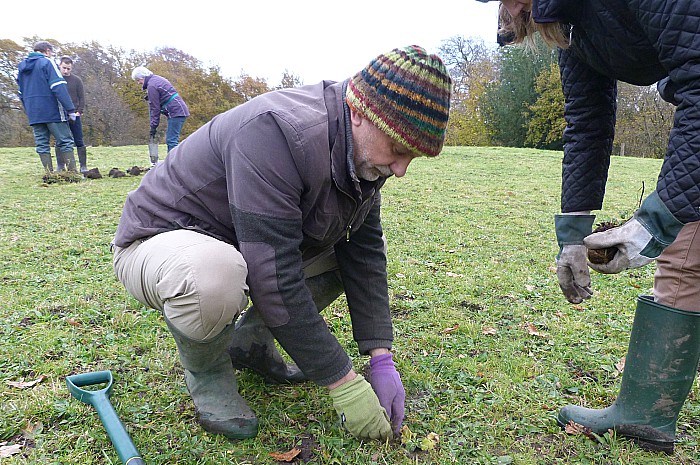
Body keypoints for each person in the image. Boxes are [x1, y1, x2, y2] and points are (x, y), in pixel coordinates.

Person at [112, 46, 452, 441]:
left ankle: (251, 342)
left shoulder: (358, 149)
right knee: (215, 276)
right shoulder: (276, 131)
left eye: (413, 156)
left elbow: (363, 250)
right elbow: (274, 276)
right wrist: (342, 383)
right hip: (157, 242)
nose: (401, 169)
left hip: (242, 245)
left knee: (335, 259)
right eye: (398, 150)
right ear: (360, 112)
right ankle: (207, 372)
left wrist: (381, 357)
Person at [475, 0, 700, 454]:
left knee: (683, 247)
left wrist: (653, 223)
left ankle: (644, 413)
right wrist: (572, 237)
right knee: (688, 255)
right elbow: (587, 123)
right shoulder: (571, 24)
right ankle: (645, 414)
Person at [16, 41, 77, 172]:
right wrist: (70, 109)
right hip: (52, 110)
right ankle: (73, 172)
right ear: (47, 51)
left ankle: (49, 173)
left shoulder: (21, 67)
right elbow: (58, 87)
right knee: (65, 140)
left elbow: (20, 93)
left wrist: (29, 110)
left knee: (42, 144)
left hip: (34, 113)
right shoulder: (47, 62)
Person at [131, 66, 189, 156]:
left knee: (171, 140)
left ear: (143, 77)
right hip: (178, 109)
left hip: (176, 111)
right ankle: (173, 162)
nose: (138, 83)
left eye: (138, 80)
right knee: (172, 139)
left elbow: (155, 108)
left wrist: (153, 127)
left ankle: (172, 165)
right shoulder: (156, 79)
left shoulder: (152, 86)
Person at [59, 56, 88, 173]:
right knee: (60, 140)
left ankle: (83, 166)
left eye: (68, 68)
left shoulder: (77, 80)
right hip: (60, 115)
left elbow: (82, 97)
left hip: (74, 115)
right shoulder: (55, 79)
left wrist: (79, 111)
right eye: (64, 68)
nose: (66, 71)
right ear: (59, 66)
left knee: (79, 140)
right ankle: (60, 166)